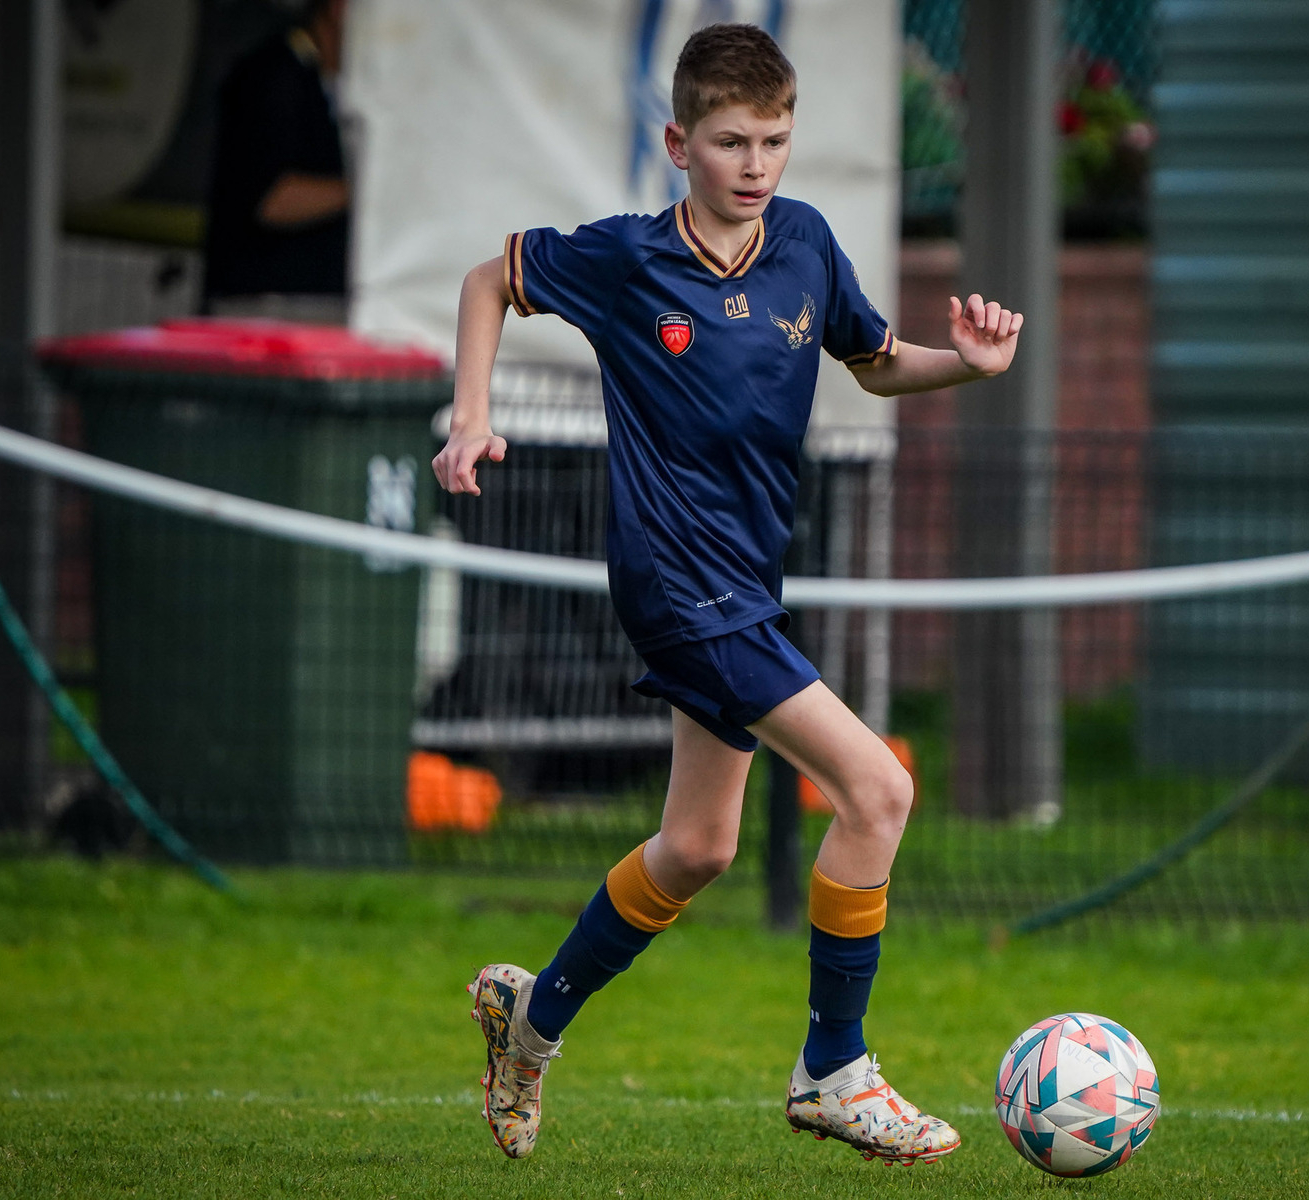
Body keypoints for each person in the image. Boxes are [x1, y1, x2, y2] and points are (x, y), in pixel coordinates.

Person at [432, 23, 1022, 1165]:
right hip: (673, 587)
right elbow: (484, 280)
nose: (755, 164)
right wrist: (470, 416)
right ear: (678, 143)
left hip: (746, 585)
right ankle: (832, 1070)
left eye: (775, 140)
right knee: (875, 792)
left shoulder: (801, 241)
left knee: (696, 846)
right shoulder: (626, 259)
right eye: (731, 141)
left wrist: (968, 365)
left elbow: (875, 359)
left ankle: (529, 1020)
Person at [202, 0, 351, 323]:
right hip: (265, 309)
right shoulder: (274, 76)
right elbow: (273, 198)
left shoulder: (330, 80)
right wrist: (369, 188)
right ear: (339, 8)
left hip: (309, 304)